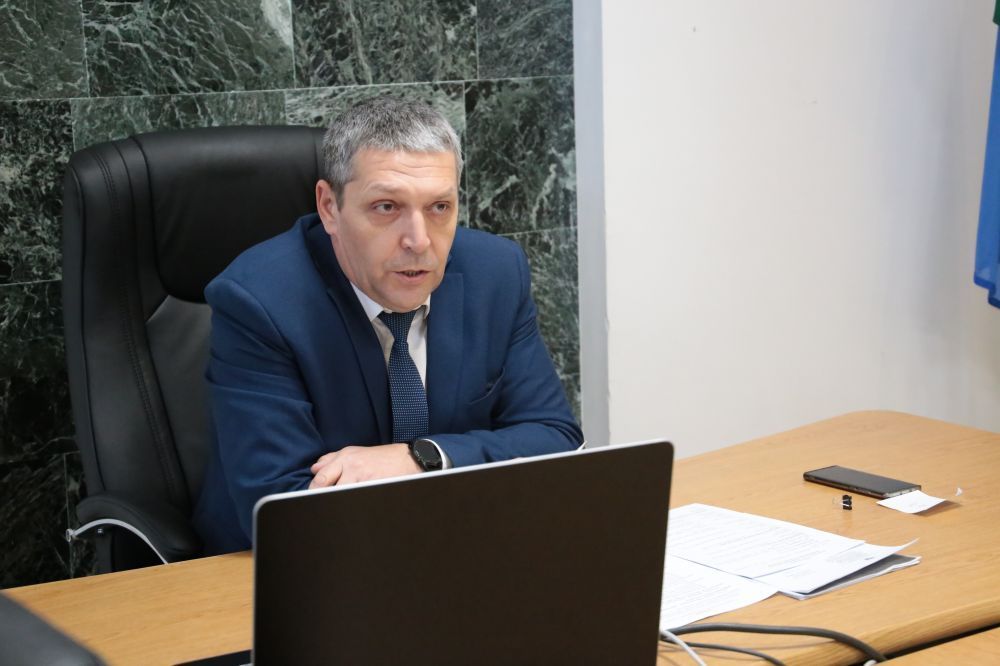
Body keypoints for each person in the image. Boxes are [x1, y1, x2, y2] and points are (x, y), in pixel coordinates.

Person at [192, 97, 584, 553]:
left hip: (458, 544)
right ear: (329, 207)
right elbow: (283, 507)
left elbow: (554, 439)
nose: (419, 241)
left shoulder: (495, 273)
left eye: (439, 207)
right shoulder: (259, 301)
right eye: (386, 207)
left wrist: (422, 458)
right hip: (274, 565)